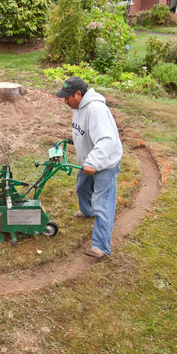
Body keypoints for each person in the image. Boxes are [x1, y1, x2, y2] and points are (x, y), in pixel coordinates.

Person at [55, 77, 123, 258]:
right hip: (88, 161)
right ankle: (87, 211)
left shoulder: (96, 110)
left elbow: (107, 140)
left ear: (78, 94)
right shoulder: (78, 107)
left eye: (67, 97)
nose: (65, 101)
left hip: (104, 163)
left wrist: (93, 162)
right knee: (82, 189)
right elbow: (83, 130)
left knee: (103, 204)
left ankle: (101, 246)